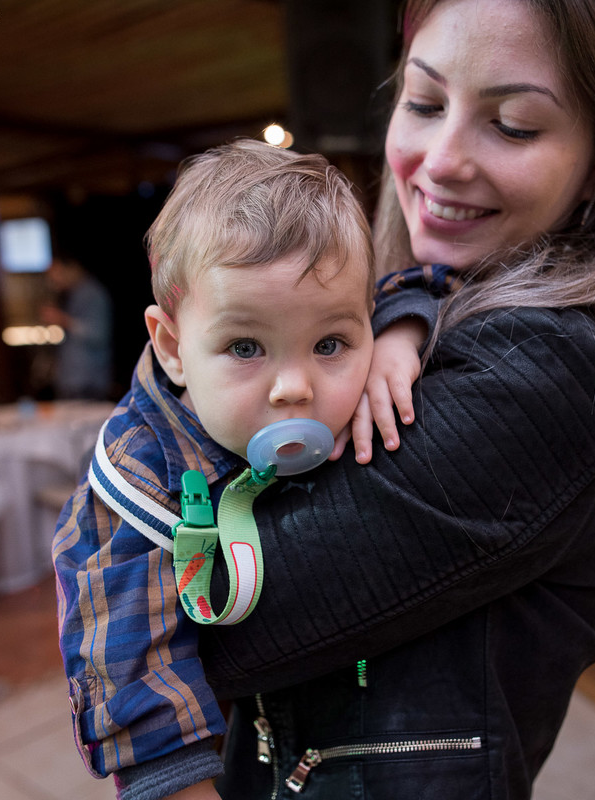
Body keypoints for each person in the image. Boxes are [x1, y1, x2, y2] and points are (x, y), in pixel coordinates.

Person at [64, 0, 595, 797]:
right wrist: (396, 319)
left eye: (514, 125)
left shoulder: (559, 371)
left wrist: (117, 528)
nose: (440, 160)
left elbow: (215, 615)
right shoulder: (417, 311)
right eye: (425, 103)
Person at [53, 140, 405, 798]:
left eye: (331, 343)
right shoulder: (140, 476)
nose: (295, 388)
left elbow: (417, 285)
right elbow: (124, 652)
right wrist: (178, 783)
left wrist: (406, 333)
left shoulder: (374, 363)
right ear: (173, 346)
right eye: (246, 346)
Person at [41, 255, 113, 400]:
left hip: (88, 382)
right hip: (73, 381)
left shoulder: (92, 294)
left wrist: (63, 320)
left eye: (56, 273)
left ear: (71, 268)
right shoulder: (73, 294)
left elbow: (98, 334)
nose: (53, 280)